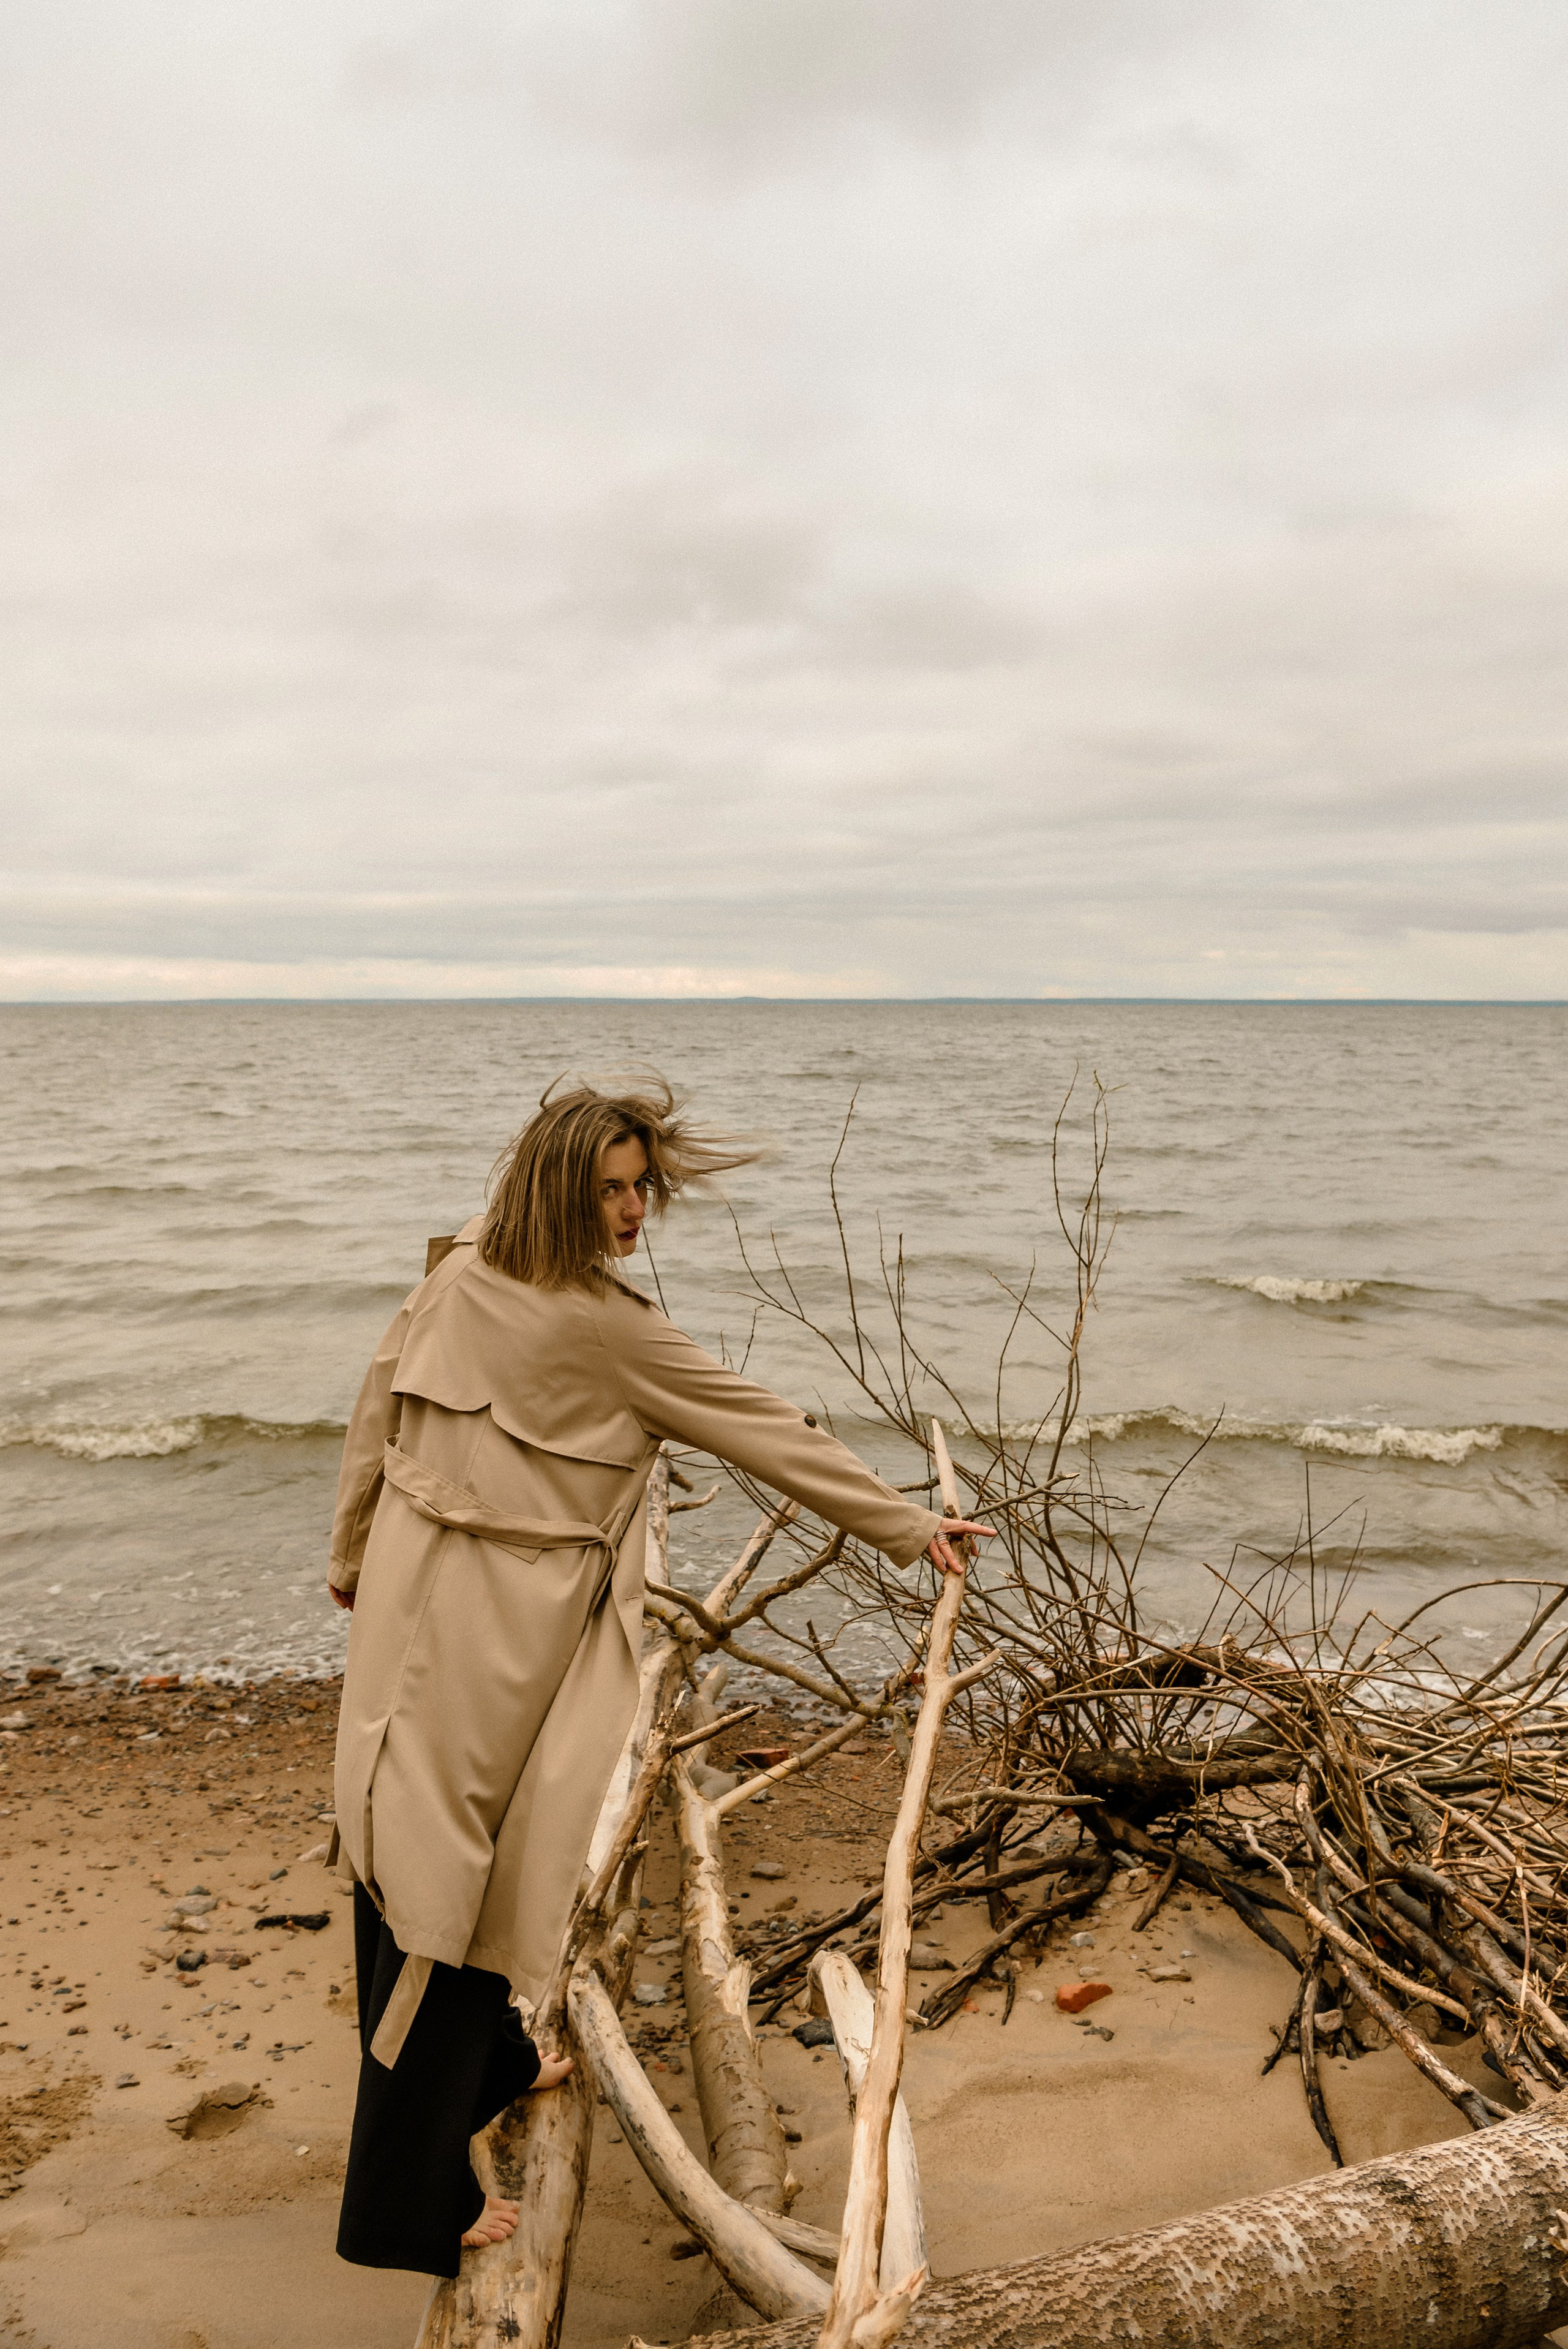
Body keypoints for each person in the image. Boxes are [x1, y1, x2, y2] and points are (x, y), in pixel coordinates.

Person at [324, 1079, 990, 2277]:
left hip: (440, 1597)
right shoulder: (561, 1309)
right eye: (610, 1189)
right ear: (556, 1189)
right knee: (434, 1877)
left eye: (643, 1188)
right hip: (477, 1627)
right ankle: (392, 2204)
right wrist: (905, 1525)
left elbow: (756, 1425)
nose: (633, 1211)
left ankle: (492, 2066)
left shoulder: (471, 1265)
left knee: (443, 1844)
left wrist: (349, 1551)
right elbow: (390, 1402)